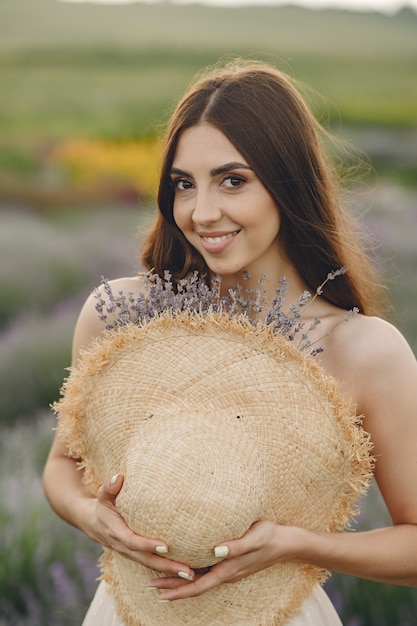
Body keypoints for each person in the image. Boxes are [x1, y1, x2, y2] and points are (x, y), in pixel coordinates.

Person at [43, 58, 417, 625]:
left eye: (233, 180)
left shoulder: (363, 351)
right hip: (125, 613)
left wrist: (298, 544)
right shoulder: (121, 319)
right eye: (183, 185)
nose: (202, 212)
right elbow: (60, 466)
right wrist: (88, 515)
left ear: (287, 184)